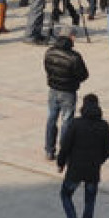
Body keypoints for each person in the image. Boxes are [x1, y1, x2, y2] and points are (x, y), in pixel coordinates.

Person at [57, 93, 109, 218]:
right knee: (90, 201)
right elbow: (108, 150)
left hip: (75, 168)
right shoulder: (104, 126)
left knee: (65, 195)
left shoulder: (76, 124)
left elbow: (65, 146)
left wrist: (61, 163)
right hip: (93, 170)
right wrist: (99, 161)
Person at [44, 31, 89, 161]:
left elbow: (47, 68)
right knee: (67, 122)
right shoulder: (74, 57)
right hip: (68, 92)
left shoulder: (49, 52)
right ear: (70, 38)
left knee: (51, 119)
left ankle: (49, 150)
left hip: (53, 89)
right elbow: (84, 75)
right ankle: (65, 151)